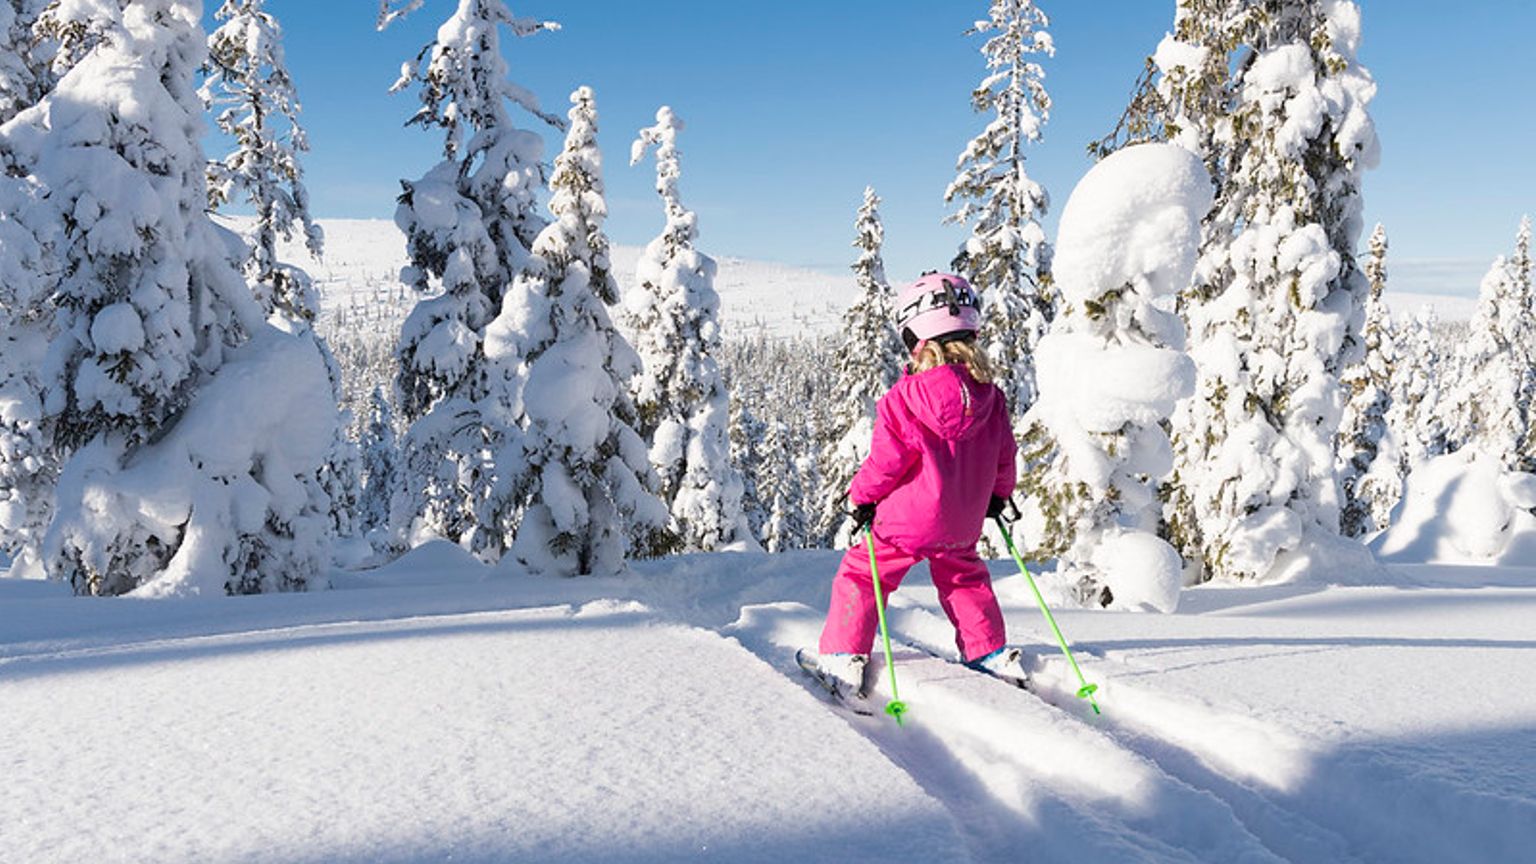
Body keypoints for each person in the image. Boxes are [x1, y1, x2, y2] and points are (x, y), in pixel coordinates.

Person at [801, 272, 1028, 703]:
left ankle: (843, 657)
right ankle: (991, 654)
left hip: (907, 521)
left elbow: (887, 464)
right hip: (964, 518)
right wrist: (998, 495)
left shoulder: (903, 399)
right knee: (964, 578)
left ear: (918, 340)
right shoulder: (992, 398)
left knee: (863, 575)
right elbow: (1005, 456)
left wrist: (861, 497)